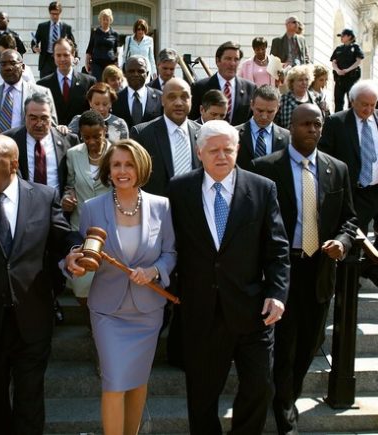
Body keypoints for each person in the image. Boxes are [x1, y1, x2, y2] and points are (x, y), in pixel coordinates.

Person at [168, 120, 290, 435]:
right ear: (199, 153)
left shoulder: (262, 188)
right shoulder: (179, 190)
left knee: (260, 387)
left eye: (228, 149)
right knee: (202, 397)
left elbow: (277, 250)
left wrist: (277, 293)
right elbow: (171, 244)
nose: (221, 156)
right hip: (202, 311)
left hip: (253, 310)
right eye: (214, 150)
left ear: (237, 150)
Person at [0, 134, 75, 434]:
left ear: (14, 164)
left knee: (30, 401)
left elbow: (63, 236)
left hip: (32, 318)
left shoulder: (44, 197)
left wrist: (75, 251)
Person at [252, 104, 357, 435]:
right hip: (283, 269)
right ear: (291, 127)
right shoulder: (265, 168)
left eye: (317, 124)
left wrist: (343, 241)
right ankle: (285, 412)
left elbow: (350, 219)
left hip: (320, 269)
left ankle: (286, 396)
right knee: (283, 344)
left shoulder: (336, 169)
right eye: (305, 124)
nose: (312, 129)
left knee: (309, 344)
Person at [65, 139, 177, 435]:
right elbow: (83, 249)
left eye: (129, 164)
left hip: (147, 312)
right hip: (107, 312)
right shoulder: (92, 208)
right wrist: (76, 260)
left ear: (141, 168)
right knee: (114, 382)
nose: (122, 170)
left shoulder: (162, 206)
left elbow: (170, 254)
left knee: (139, 382)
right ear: (108, 170)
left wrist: (154, 270)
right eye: (116, 165)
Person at [318, 80, 378, 289]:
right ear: (352, 101)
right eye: (364, 104)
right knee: (354, 236)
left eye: (373, 105)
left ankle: (371, 267)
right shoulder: (337, 123)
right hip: (355, 191)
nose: (369, 109)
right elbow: (325, 156)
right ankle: (349, 279)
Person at [62, 110, 112, 305]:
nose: (91, 142)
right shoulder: (73, 154)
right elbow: (69, 184)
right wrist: (68, 197)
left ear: (105, 130)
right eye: (86, 137)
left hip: (109, 229)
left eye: (96, 136)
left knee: (108, 286)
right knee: (82, 287)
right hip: (81, 228)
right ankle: (92, 327)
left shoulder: (116, 152)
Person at [131, 78, 201, 197]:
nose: (179, 103)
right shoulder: (142, 134)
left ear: (191, 100)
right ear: (162, 100)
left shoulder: (203, 133)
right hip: (157, 212)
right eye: (172, 97)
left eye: (184, 96)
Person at [3, 93, 77, 196]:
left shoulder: (68, 140)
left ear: (51, 117)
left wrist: (69, 194)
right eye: (33, 118)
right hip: (24, 206)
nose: (39, 124)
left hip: (57, 208)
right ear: (25, 117)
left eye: (44, 118)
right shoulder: (9, 140)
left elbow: (74, 178)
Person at [0, 49, 57, 133]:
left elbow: (52, 126)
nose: (8, 68)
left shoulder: (42, 93)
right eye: (3, 64)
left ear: (23, 67)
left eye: (13, 63)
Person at [189, 41, 256, 126]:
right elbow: (192, 121)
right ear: (217, 61)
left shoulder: (250, 88)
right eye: (228, 59)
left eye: (236, 59)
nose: (232, 63)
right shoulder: (199, 87)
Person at [37, 38, 96, 126]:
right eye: (58, 55)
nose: (62, 59)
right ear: (54, 56)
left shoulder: (88, 82)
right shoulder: (42, 85)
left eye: (66, 55)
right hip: (53, 135)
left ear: (73, 54)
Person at [236, 85, 290, 170]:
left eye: (270, 112)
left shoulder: (287, 137)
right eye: (260, 111)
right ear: (252, 105)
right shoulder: (234, 133)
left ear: (277, 108)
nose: (264, 116)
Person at [112, 55, 163, 129]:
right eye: (131, 71)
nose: (136, 74)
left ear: (147, 74)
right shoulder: (115, 99)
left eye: (140, 71)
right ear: (124, 73)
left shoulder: (160, 97)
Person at [31, 1, 76, 79]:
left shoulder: (66, 28)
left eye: (57, 14)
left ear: (60, 13)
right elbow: (35, 41)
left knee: (60, 84)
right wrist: (34, 47)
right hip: (46, 60)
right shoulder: (42, 27)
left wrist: (76, 57)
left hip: (61, 60)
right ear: (49, 13)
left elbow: (73, 44)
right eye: (52, 14)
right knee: (44, 85)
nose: (55, 16)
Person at [276, 65, 319, 129]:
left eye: (306, 79)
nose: (304, 82)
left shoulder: (315, 98)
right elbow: (276, 123)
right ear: (292, 82)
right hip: (290, 137)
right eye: (300, 80)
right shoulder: (283, 100)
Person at [331, 28, 364, 112]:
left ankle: (351, 120)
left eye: (343, 36)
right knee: (338, 101)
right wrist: (338, 70)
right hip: (339, 79)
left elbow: (358, 61)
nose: (341, 38)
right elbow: (334, 62)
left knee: (351, 101)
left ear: (349, 36)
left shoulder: (355, 47)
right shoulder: (338, 48)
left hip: (351, 79)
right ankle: (338, 121)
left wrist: (347, 70)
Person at [85, 9, 119, 81]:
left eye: (107, 19)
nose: (105, 21)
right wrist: (86, 63)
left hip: (110, 63)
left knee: (109, 83)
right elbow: (89, 49)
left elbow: (116, 51)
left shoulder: (115, 34)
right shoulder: (95, 32)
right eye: (104, 19)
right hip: (97, 63)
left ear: (110, 20)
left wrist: (117, 64)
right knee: (98, 82)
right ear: (100, 20)